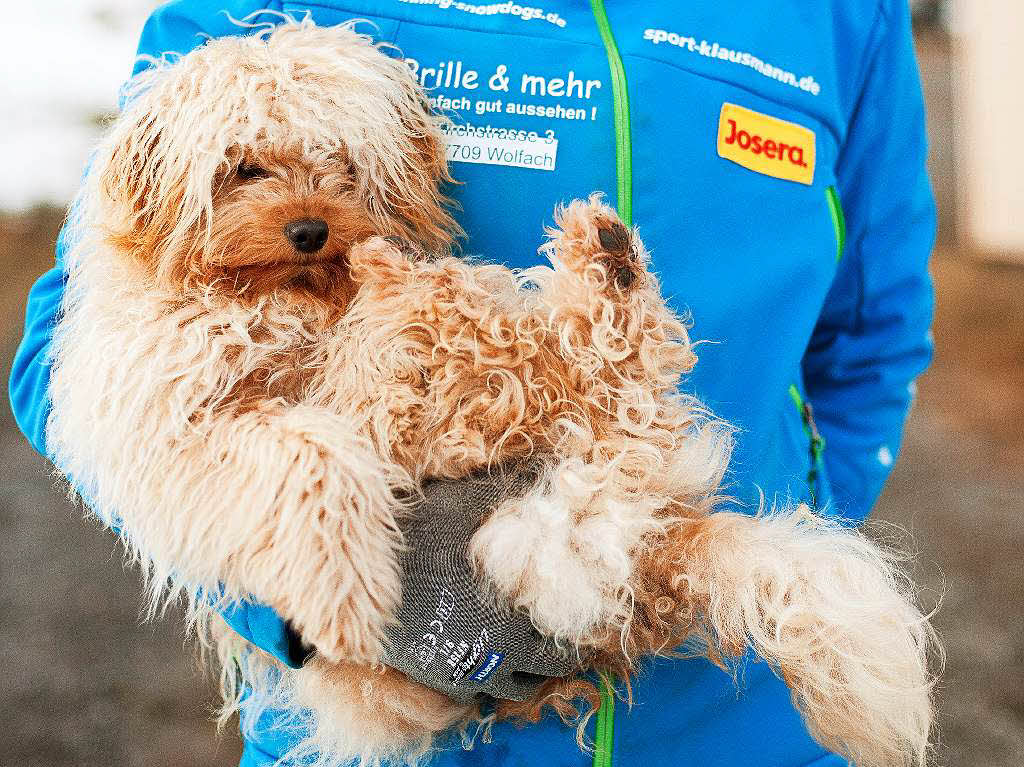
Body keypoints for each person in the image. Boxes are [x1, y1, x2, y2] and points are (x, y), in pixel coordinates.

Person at [9, 0, 936, 765]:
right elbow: (75, 355)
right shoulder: (244, 28)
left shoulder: (842, 15)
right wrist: (318, 607)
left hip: (738, 713)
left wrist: (730, 560)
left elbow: (870, 342)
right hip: (400, 740)